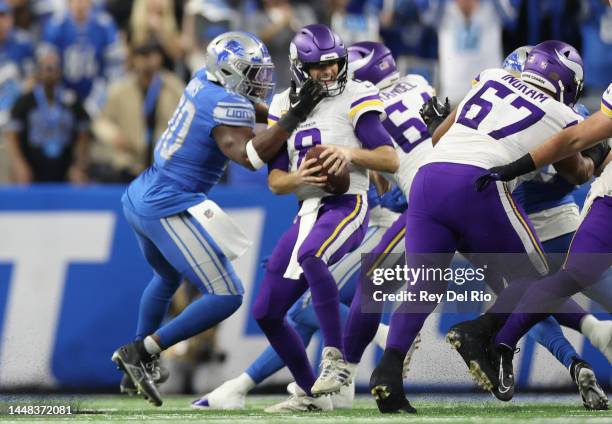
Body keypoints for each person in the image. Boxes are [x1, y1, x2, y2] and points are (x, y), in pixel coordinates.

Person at [368, 40, 596, 413]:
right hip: (478, 183)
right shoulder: (560, 113)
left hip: (428, 178)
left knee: (424, 285)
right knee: (538, 276)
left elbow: (438, 136)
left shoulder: (492, 78)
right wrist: (595, 158)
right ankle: (480, 330)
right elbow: (575, 174)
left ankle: (388, 374)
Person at [111, 31, 327, 407]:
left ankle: (139, 361)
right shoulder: (226, 104)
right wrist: (293, 117)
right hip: (168, 203)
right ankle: (143, 349)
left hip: (142, 192)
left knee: (166, 277)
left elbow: (254, 111)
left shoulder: (202, 80)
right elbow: (249, 156)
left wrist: (287, 110)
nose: (258, 79)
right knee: (227, 294)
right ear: (227, 70)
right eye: (249, 71)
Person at [252, 24, 399, 412]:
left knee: (311, 255)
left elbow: (389, 158)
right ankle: (310, 396)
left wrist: (349, 154)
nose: (329, 73)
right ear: (301, 68)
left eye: (334, 64)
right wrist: (298, 178)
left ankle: (336, 359)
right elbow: (275, 182)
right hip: (307, 211)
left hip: (348, 202)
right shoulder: (284, 105)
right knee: (265, 312)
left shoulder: (357, 95)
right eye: (319, 67)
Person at [451, 82, 612, 405]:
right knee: (544, 289)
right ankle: (590, 338)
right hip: (564, 222)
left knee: (524, 292)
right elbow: (582, 167)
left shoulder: (492, 116)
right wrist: (597, 155)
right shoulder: (565, 114)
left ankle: (571, 355)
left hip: (518, 223)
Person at [191, 184, 404, 410]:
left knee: (306, 304)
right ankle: (239, 387)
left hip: (390, 229)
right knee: (301, 316)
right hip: (380, 228)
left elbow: (367, 186)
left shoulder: (357, 153)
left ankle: (386, 336)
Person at [91, 39, 184, 182]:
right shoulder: (120, 89)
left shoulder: (174, 87)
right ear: (134, 59)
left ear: (159, 58)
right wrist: (114, 136)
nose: (147, 61)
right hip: (130, 161)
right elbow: (101, 120)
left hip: (165, 163)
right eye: (142, 56)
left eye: (152, 55)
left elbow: (189, 118)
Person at [4, 43, 89, 184]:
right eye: (45, 68)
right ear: (37, 71)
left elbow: (83, 134)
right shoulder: (25, 101)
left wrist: (79, 165)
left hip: (65, 170)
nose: (49, 72)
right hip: (31, 171)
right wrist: (19, 164)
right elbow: (12, 135)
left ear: (60, 71)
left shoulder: (72, 100)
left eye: (53, 67)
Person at [42, 0, 124, 115]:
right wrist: (63, 95)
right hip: (64, 95)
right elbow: (48, 68)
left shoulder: (105, 24)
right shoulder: (56, 25)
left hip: (98, 94)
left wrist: (98, 98)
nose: (79, 4)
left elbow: (114, 68)